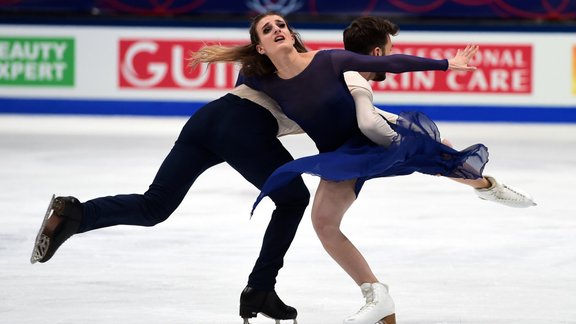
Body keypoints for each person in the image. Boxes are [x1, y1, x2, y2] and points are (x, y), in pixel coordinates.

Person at [189, 12, 533, 324]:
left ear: (292, 34)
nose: (278, 29)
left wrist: (445, 64)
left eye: (282, 24)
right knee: (324, 223)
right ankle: (377, 297)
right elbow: (244, 101)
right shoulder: (263, 79)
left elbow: (393, 63)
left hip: (365, 142)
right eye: (268, 28)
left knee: (433, 154)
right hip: (339, 155)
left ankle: (488, 187)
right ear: (261, 47)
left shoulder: (329, 61)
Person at [30, 84, 312, 323]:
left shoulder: (278, 65)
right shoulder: (325, 78)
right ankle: (261, 288)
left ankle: (76, 214)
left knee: (155, 206)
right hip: (244, 127)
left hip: (208, 118)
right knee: (294, 199)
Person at [342, 16, 536, 208]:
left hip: (345, 150)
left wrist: (414, 132)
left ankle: (487, 187)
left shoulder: (345, 73)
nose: (392, 57)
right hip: (345, 154)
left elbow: (369, 111)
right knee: (425, 151)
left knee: (326, 225)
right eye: (390, 51)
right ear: (377, 53)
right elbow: (369, 121)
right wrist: (406, 145)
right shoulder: (355, 80)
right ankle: (488, 188)